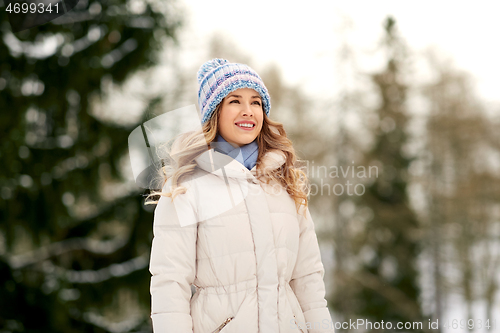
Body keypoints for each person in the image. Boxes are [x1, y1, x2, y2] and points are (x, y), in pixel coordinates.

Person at [149, 58, 335, 333]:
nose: (248, 111)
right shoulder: (187, 186)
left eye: (256, 102)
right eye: (235, 101)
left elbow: (308, 279)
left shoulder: (285, 182)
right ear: (214, 112)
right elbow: (170, 284)